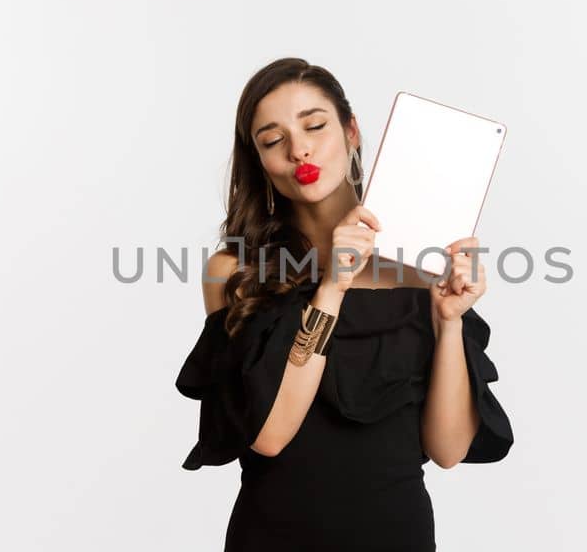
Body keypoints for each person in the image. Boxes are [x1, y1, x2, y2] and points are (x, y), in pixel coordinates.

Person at [175, 57, 514, 551]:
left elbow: (448, 448)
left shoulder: (421, 266)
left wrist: (447, 324)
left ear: (352, 131)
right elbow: (269, 434)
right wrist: (332, 287)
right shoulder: (235, 271)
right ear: (259, 161)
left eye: (314, 126)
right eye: (273, 141)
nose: (299, 149)